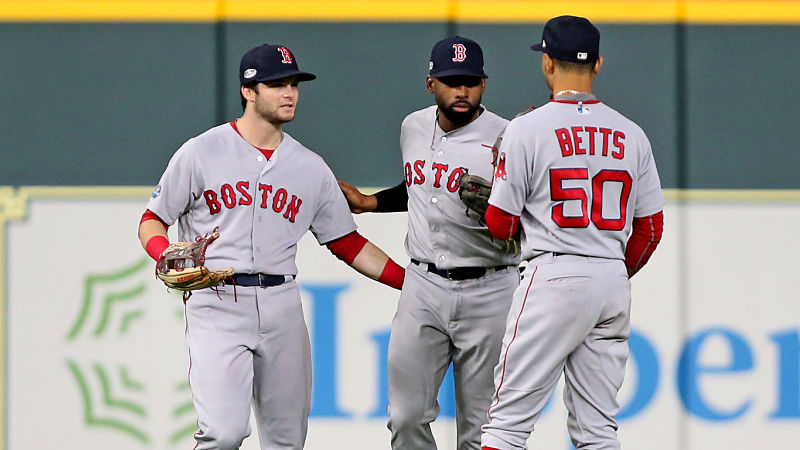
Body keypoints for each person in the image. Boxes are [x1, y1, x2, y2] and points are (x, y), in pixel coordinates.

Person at [137, 43, 405, 450]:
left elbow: (347, 243)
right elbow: (152, 219)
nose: (289, 93)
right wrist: (163, 252)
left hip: (282, 304)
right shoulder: (201, 152)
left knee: (286, 441)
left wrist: (411, 283)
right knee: (223, 433)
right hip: (217, 298)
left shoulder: (310, 166)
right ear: (248, 91)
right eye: (277, 84)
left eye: (293, 84)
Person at [479, 16, 665, 450]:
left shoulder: (526, 128)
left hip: (552, 275)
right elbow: (650, 229)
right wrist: (611, 271)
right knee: (598, 432)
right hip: (611, 280)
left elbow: (499, 224)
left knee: (506, 426)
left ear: (547, 63)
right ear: (597, 64)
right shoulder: (632, 134)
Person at [338, 36, 520, 450]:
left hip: (490, 287)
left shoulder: (508, 138)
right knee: (404, 417)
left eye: (470, 81)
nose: (461, 91)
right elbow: (420, 187)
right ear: (430, 83)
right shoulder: (413, 126)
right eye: (451, 81)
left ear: (484, 85)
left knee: (481, 428)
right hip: (424, 285)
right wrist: (370, 203)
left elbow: (526, 219)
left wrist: (499, 211)